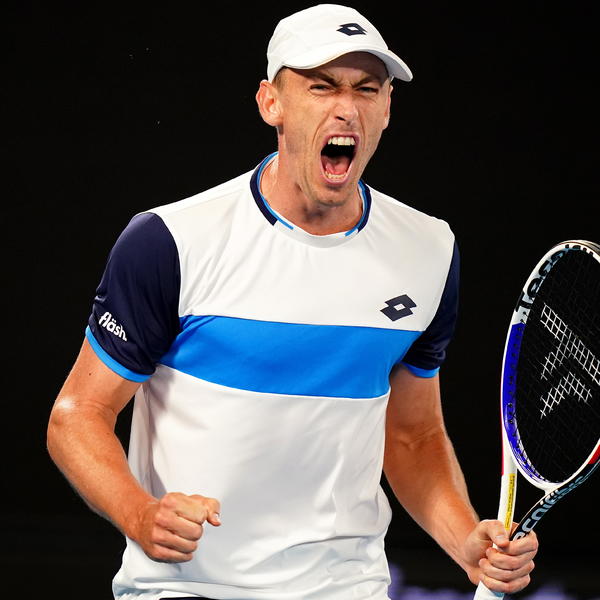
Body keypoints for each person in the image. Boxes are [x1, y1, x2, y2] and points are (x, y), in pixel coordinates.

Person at [47, 4, 538, 600]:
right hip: (186, 588)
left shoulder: (429, 249)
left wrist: (466, 542)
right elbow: (77, 415)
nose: (346, 108)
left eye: (367, 89)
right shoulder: (170, 241)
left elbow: (412, 436)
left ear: (387, 109)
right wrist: (140, 514)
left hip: (346, 587)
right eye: (321, 86)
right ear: (270, 103)